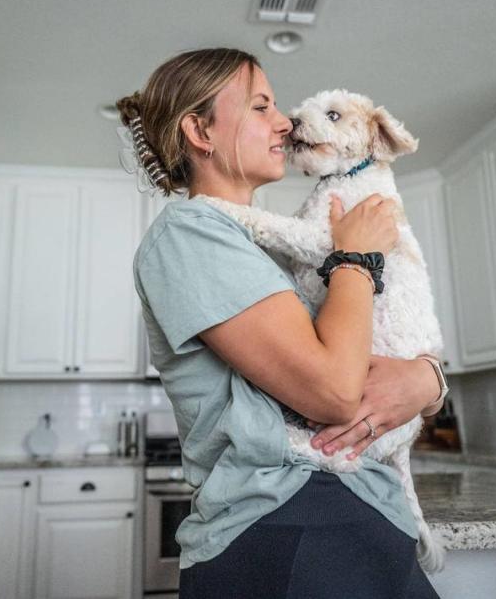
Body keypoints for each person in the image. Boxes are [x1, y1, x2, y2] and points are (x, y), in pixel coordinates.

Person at [118, 48, 443, 599]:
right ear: (201, 131)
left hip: (345, 509)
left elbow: (365, 352)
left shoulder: (260, 248)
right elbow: (336, 392)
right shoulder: (191, 233)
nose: (285, 122)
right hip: (288, 522)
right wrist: (358, 258)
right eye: (262, 106)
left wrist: (429, 380)